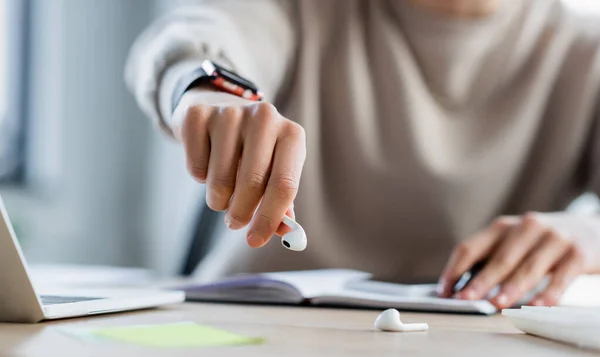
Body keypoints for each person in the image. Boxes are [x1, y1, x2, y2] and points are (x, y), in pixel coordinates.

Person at [125, 0, 600, 309]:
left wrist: (589, 234)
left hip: (471, 354)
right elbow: (193, 36)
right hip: (255, 326)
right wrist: (206, 87)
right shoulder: (302, 11)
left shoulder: (585, 52)